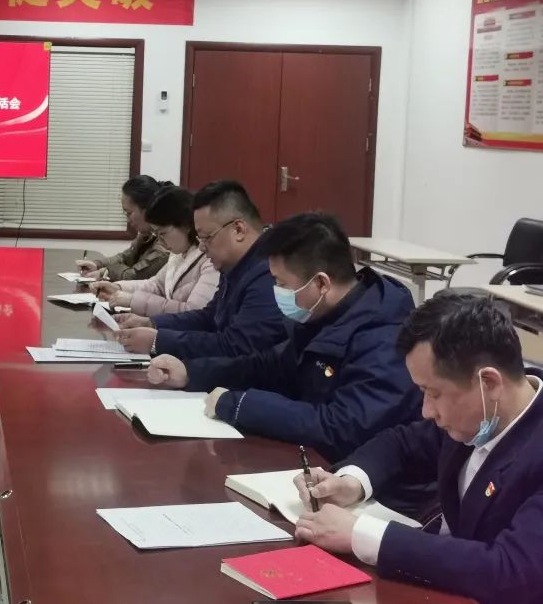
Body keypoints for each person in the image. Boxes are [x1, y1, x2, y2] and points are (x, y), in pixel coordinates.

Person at [292, 294, 543, 604]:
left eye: (433, 393)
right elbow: (403, 444)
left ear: (489, 383)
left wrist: (363, 535)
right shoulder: (479, 413)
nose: (426, 411)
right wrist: (350, 483)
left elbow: (511, 572)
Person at [146, 212, 421, 467]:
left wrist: (240, 405)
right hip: (314, 463)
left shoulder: (384, 336)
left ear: (321, 284)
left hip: (367, 482)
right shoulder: (320, 314)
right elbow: (270, 365)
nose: (276, 292)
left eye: (281, 284)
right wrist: (191, 373)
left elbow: (342, 427)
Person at [116, 180, 283, 360]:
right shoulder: (234, 265)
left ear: (238, 230)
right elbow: (209, 317)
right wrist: (152, 323)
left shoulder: (270, 272)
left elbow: (235, 346)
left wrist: (158, 341)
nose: (202, 247)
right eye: (199, 238)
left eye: (207, 237)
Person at [91, 186, 218, 316]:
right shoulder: (180, 252)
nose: (161, 242)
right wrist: (118, 288)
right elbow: (156, 285)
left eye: (163, 234)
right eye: (157, 235)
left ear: (185, 225)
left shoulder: (211, 260)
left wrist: (133, 300)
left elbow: (194, 313)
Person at [75, 175, 170, 281]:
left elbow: (135, 275)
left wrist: (107, 272)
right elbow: (125, 257)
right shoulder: (148, 234)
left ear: (148, 210)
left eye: (129, 213)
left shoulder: (166, 245)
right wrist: (97, 265)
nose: (128, 220)